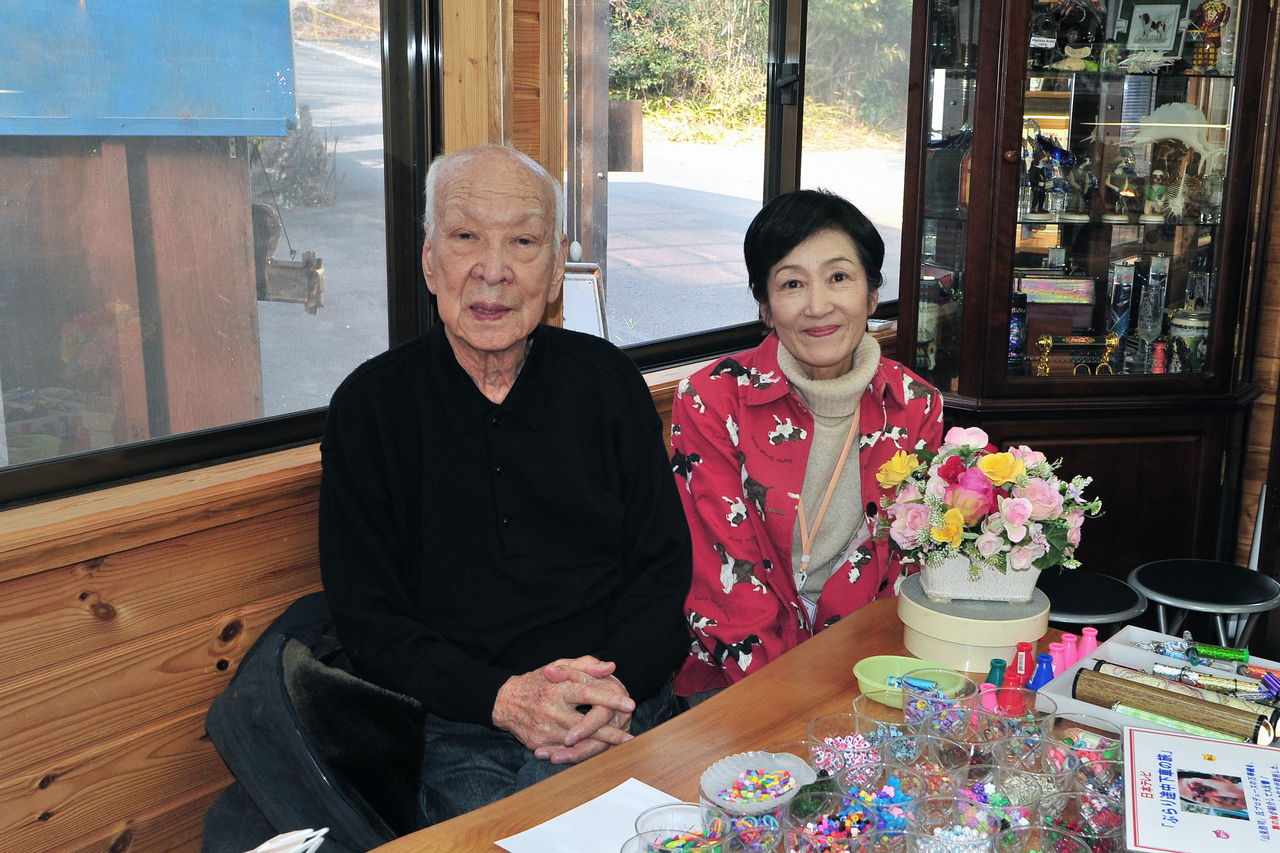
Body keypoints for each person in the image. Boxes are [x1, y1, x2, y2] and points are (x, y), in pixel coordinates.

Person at [319, 145, 692, 824]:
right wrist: (505, 698)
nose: (493, 270)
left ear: (554, 271)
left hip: (618, 704)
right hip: (463, 724)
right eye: (466, 237)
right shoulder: (370, 409)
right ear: (430, 260)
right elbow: (369, 618)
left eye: (522, 240)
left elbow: (662, 570)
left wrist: (607, 694)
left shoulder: (607, 384)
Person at [669, 189, 943, 705]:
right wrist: (797, 702)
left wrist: (865, 685)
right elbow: (726, 578)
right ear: (766, 307)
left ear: (871, 292)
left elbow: (903, 571)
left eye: (839, 277)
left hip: (869, 669)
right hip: (740, 675)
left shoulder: (915, 404)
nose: (818, 306)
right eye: (792, 284)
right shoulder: (712, 400)